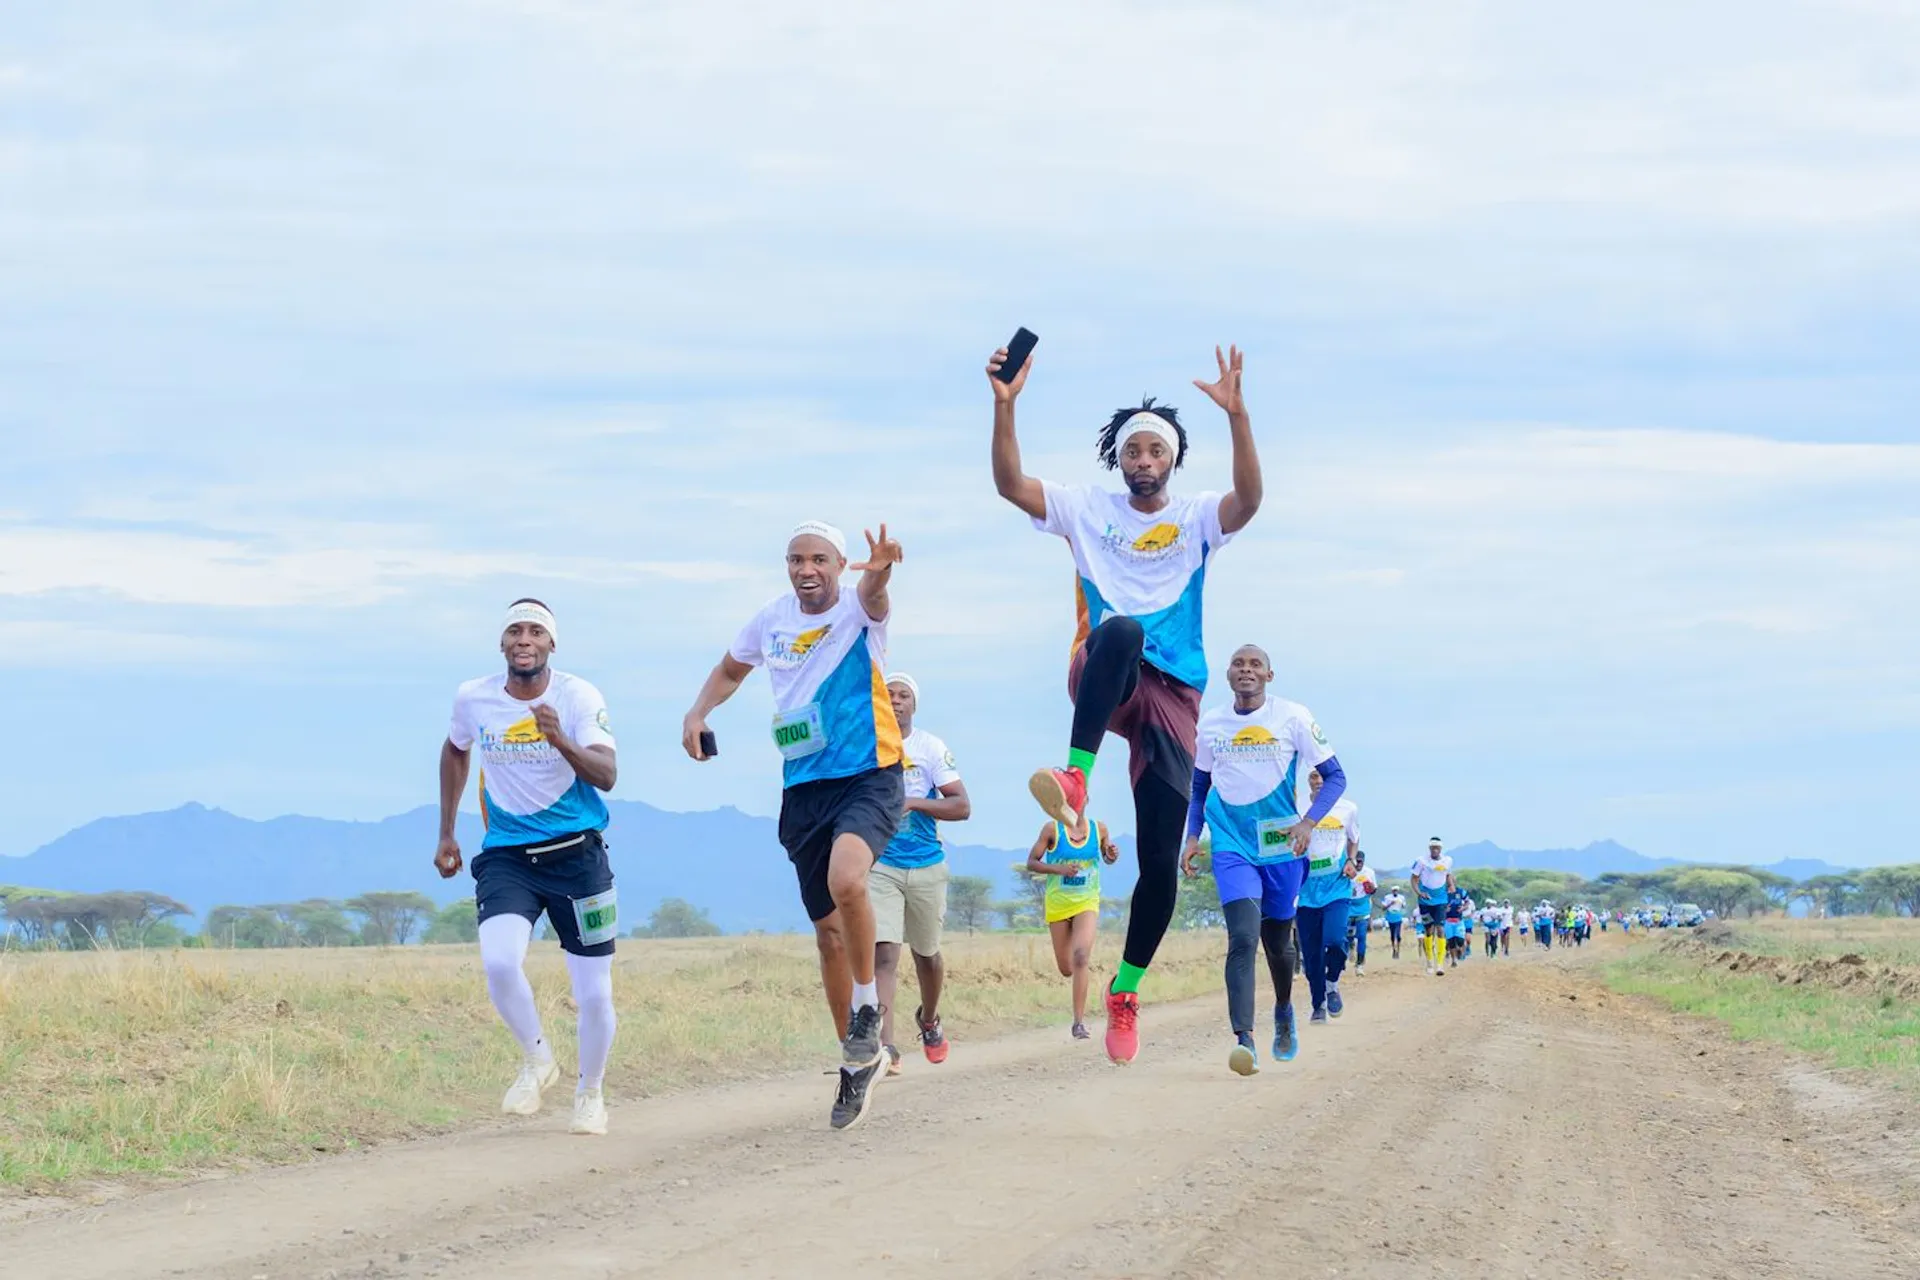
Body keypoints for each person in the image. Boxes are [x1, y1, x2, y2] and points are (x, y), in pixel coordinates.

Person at [989, 341, 1265, 1063]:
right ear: (1119, 458)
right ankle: (1077, 775)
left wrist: (1239, 418)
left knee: (1158, 862)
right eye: (1132, 450)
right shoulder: (1086, 509)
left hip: (1174, 697)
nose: (1143, 460)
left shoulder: (1199, 516)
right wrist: (1005, 405)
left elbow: (1250, 502)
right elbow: (1011, 483)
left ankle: (1126, 988)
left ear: (1171, 460)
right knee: (1122, 628)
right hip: (1106, 672)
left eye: (1155, 451)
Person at [682, 520, 906, 1131]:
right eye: (796, 560)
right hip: (804, 787)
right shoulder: (771, 619)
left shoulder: (861, 610)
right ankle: (857, 1063)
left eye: (819, 560)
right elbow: (732, 670)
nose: (807, 570)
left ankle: (869, 1014)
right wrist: (698, 711)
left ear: (839, 565)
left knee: (849, 881)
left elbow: (877, 595)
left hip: (869, 773)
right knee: (828, 936)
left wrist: (880, 568)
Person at [435, 599, 621, 1137]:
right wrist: (447, 831)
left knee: (594, 994)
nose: (523, 639)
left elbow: (607, 774)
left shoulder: (578, 696)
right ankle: (538, 1060)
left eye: (535, 632)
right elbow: (454, 751)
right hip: (507, 855)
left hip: (578, 857)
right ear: (502, 644)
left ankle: (590, 1093)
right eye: (514, 631)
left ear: (551, 645)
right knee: (498, 962)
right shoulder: (474, 697)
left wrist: (559, 737)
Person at [1182, 645, 1347, 1069]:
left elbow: (1335, 777)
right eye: (1239, 663)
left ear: (1269, 676)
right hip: (1232, 845)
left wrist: (1308, 823)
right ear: (1228, 674)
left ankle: (1284, 1010)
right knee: (1242, 938)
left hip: (1280, 848)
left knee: (1278, 945)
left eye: (1255, 665)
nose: (1246, 670)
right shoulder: (1212, 724)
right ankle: (1245, 1039)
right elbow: (1199, 788)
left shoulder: (1292, 716)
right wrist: (1192, 837)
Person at [870, 673, 970, 1074]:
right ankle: (886, 1049)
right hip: (881, 865)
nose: (895, 700)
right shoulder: (867, 747)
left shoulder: (930, 748)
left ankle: (929, 1020)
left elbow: (961, 806)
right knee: (884, 954)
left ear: (914, 705)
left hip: (926, 863)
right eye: (888, 694)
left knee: (926, 955)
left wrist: (913, 802)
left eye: (903, 695)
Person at [1029, 813, 1120, 1040]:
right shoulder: (1052, 829)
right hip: (1058, 904)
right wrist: (1059, 869)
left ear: (1086, 798)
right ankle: (1082, 998)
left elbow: (1107, 856)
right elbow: (1032, 862)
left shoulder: (1098, 829)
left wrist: (1111, 855)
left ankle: (1079, 1023)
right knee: (1067, 968)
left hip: (1086, 902)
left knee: (1081, 957)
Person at [1296, 770, 1359, 1021]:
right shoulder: (1295, 807)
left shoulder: (1348, 809)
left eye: (1324, 776)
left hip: (1337, 886)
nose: (1319, 780)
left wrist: (1352, 860)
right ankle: (1318, 1005)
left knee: (1334, 940)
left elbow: (1354, 839)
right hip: (1305, 890)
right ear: (1308, 781)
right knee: (1311, 954)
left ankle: (1332, 982)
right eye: (1314, 776)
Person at [1411, 838, 1456, 977]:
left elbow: (1447, 874)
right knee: (1429, 931)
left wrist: (1451, 885)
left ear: (1441, 849)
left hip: (1441, 899)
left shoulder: (1447, 860)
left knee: (1441, 929)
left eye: (1437, 847)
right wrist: (1419, 893)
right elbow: (1413, 879)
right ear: (1429, 848)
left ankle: (1440, 963)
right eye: (1432, 847)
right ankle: (1430, 961)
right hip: (1425, 900)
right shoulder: (1421, 861)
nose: (1435, 850)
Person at [1347, 851, 1378, 975]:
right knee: (1347, 935)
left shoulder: (1369, 872)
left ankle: (1359, 964)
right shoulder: (1347, 871)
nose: (1358, 864)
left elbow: (1374, 889)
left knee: (1361, 936)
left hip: (1363, 906)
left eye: (1361, 861)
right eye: (1357, 861)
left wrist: (1370, 888)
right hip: (1349, 906)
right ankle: (1350, 947)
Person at [1382, 886, 1407, 960]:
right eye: (1394, 891)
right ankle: (1394, 949)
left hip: (1398, 915)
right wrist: (1390, 904)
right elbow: (1383, 908)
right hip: (1390, 916)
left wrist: (1402, 904)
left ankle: (1398, 950)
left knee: (1398, 935)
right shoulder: (1387, 897)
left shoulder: (1401, 898)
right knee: (1392, 934)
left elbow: (1404, 906)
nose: (1395, 892)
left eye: (1396, 891)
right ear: (1392, 891)